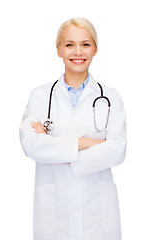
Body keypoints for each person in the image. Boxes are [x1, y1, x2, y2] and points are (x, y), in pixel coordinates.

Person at [19, 17, 127, 240]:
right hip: (55, 214)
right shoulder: (40, 96)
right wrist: (88, 144)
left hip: (98, 214)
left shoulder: (110, 97)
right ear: (58, 50)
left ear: (95, 49)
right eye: (69, 44)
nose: (78, 52)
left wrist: (55, 147)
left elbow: (117, 150)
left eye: (85, 44)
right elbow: (31, 145)